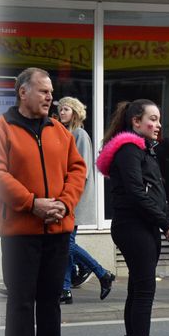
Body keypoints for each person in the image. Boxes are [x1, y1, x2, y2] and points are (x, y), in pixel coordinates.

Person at [0, 67, 86, 336]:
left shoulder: (59, 130)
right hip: (20, 232)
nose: (50, 97)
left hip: (57, 228)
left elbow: (77, 169)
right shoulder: (0, 128)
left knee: (50, 299)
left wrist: (64, 203)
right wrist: (32, 203)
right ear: (22, 92)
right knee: (22, 300)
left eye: (51, 92)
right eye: (43, 91)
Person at [96, 99, 169, 336]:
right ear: (135, 121)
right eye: (152, 119)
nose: (157, 125)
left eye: (159, 120)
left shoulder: (141, 149)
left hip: (139, 226)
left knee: (137, 290)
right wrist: (165, 223)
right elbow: (136, 193)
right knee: (144, 290)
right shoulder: (130, 149)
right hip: (134, 226)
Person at [55, 97, 115, 304]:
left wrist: (68, 197)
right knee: (65, 244)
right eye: (60, 109)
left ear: (75, 112)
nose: (61, 112)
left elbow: (82, 171)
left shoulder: (79, 134)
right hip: (67, 198)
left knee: (65, 243)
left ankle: (102, 272)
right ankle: (65, 290)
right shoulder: (65, 134)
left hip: (75, 199)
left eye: (66, 109)